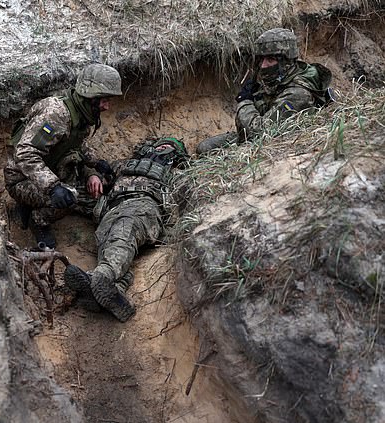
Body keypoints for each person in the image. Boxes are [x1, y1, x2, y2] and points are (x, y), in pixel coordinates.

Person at [63, 136, 190, 322]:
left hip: (145, 206)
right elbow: (96, 171)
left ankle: (101, 275)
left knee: (124, 230)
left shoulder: (177, 173)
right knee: (108, 238)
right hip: (112, 208)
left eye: (170, 146)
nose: (163, 147)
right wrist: (94, 176)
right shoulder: (124, 165)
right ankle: (114, 291)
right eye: (160, 144)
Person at [4, 63, 123, 248]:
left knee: (95, 191)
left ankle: (33, 204)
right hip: (21, 178)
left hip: (50, 169)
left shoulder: (82, 114)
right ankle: (38, 220)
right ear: (90, 96)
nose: (107, 106)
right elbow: (26, 153)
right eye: (104, 100)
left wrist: (96, 164)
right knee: (70, 198)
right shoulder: (56, 114)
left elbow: (77, 144)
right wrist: (53, 187)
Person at [196, 28, 333, 154]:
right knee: (204, 147)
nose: (263, 65)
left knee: (210, 152)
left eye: (270, 59)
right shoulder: (280, 78)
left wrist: (245, 102)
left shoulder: (298, 94)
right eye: (261, 59)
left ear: (286, 61)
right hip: (256, 137)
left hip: (277, 145)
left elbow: (260, 133)